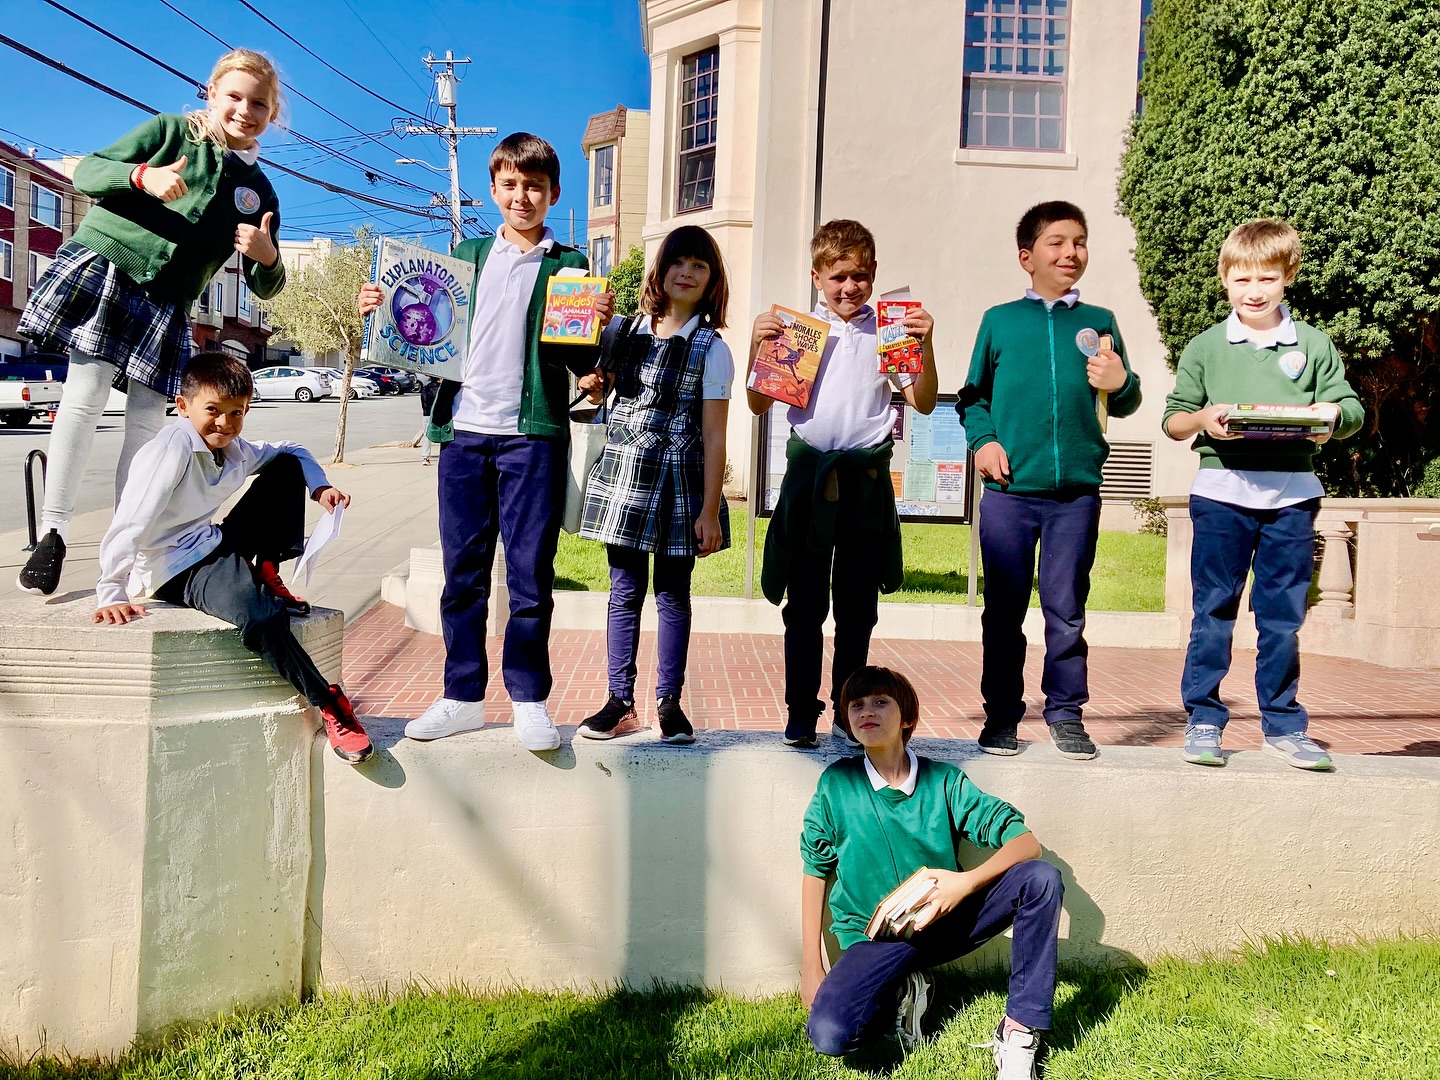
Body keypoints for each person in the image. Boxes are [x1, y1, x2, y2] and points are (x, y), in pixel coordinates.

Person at [358, 133, 613, 751]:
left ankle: (528, 699)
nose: (521, 196)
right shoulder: (463, 257)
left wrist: (596, 348)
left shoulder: (570, 267)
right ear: (493, 189)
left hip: (533, 437)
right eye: (509, 184)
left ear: (553, 193)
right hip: (464, 435)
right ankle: (461, 696)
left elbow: (579, 362)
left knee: (530, 576)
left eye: (534, 186)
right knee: (463, 574)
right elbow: (418, 326)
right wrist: (377, 305)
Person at [16, 49, 286, 596]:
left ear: (272, 113)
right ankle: (53, 531)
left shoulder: (260, 191)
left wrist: (266, 254)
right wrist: (142, 176)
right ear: (210, 93)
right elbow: (89, 170)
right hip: (112, 265)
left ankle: (130, 541)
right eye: (234, 96)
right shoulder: (168, 132)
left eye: (259, 103)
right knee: (84, 394)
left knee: (145, 428)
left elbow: (268, 286)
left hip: (169, 301)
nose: (245, 110)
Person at [92, 352, 372, 764]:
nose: (225, 424)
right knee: (261, 616)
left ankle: (266, 568)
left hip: (211, 540)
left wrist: (320, 487)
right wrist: (111, 590)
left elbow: (293, 449)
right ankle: (329, 703)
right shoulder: (170, 450)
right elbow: (130, 521)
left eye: (237, 413)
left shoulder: (236, 448)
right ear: (183, 406)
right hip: (174, 567)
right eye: (213, 410)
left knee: (287, 466)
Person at [1162, 219, 1362, 771]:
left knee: (1282, 616)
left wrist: (1332, 417)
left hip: (1293, 496)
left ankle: (1283, 725)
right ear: (1225, 279)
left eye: (1267, 278)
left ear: (1288, 276)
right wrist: (1205, 418)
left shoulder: (1314, 345)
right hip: (1220, 493)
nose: (1255, 290)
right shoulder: (1205, 347)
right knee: (1213, 610)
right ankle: (1203, 717)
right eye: (1243, 278)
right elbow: (1174, 420)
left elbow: (1349, 410)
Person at [801, 666, 1062, 1078]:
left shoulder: (944, 781)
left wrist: (964, 883)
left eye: (880, 702)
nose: (867, 711)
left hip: (945, 922)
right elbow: (815, 870)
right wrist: (811, 967)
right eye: (856, 705)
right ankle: (904, 988)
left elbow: (1026, 844)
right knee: (830, 1035)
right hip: (875, 941)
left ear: (907, 717)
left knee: (1041, 878)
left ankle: (1018, 1033)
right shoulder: (837, 784)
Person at [959, 201, 1141, 761]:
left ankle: (1065, 713)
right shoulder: (1000, 320)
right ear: (1026, 256)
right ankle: (1001, 718)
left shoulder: (1101, 322)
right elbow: (973, 398)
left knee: (1067, 610)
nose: (1071, 252)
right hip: (1011, 496)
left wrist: (1123, 379)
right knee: (1005, 610)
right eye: (1057, 242)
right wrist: (983, 442)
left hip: (1076, 495)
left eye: (1080, 242)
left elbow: (1126, 399)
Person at [752, 219, 939, 749]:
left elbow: (923, 400)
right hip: (810, 482)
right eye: (837, 277)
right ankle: (799, 710)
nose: (848, 287)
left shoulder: (891, 330)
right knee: (804, 607)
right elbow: (758, 402)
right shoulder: (797, 331)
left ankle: (847, 711)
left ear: (874, 273)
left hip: (864, 485)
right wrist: (756, 344)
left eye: (859, 275)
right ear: (816, 277)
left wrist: (926, 346)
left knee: (857, 609)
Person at [573, 226, 733, 744]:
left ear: (711, 281)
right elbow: (598, 397)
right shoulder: (624, 329)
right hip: (624, 473)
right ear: (661, 271)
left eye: (699, 266)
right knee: (623, 590)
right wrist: (593, 384)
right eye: (678, 262)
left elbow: (714, 433)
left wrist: (710, 509)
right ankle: (619, 701)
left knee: (672, 592)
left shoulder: (712, 348)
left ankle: (670, 703)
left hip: (680, 479)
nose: (687, 272)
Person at [417, 375, 440, 465]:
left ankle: (426, 457)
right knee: (444, 436)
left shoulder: (425, 389)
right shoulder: (440, 389)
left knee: (427, 436)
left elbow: (423, 402)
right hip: (438, 415)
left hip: (426, 414)